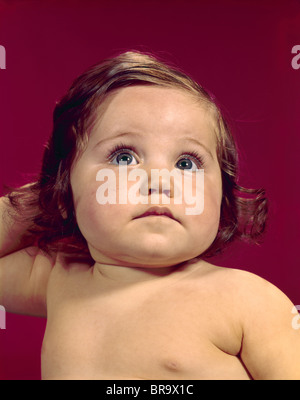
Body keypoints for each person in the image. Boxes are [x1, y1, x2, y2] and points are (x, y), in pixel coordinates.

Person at [0, 51, 299, 380]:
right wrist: (47, 194)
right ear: (64, 190)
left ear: (223, 198)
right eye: (124, 158)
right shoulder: (57, 278)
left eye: (186, 163)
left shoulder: (248, 300)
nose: (160, 180)